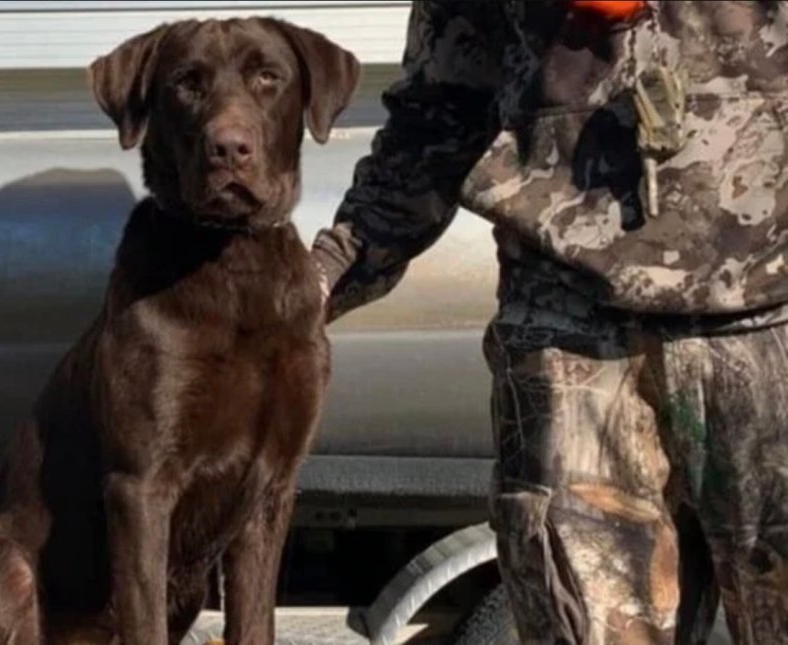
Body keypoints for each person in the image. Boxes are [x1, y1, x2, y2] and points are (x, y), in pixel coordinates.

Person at [310, 1, 788, 643]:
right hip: (566, 331)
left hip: (770, 316)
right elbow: (441, 114)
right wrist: (322, 277)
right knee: (583, 624)